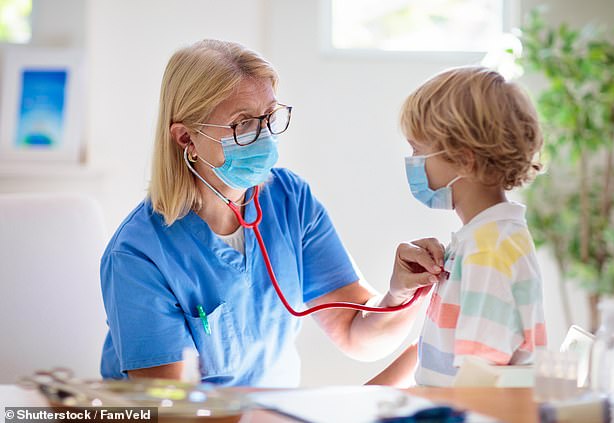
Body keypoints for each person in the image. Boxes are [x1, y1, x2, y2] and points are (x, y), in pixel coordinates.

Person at [99, 39, 445, 387]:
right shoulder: (138, 254)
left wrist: (400, 293)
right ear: (186, 137)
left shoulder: (289, 200)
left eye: (269, 117)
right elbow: (168, 406)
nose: (264, 136)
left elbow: (356, 333)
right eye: (243, 123)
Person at [368, 67, 547, 387]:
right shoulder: (483, 240)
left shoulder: (487, 251)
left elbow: (477, 379)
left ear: (465, 160)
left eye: (418, 151)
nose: (413, 162)